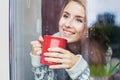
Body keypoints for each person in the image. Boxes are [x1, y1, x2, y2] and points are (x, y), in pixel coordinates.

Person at [30, 0, 90, 80]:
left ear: (88, 28)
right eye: (65, 16)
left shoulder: (98, 50)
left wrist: (78, 68)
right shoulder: (53, 44)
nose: (67, 24)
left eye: (78, 20)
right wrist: (38, 62)